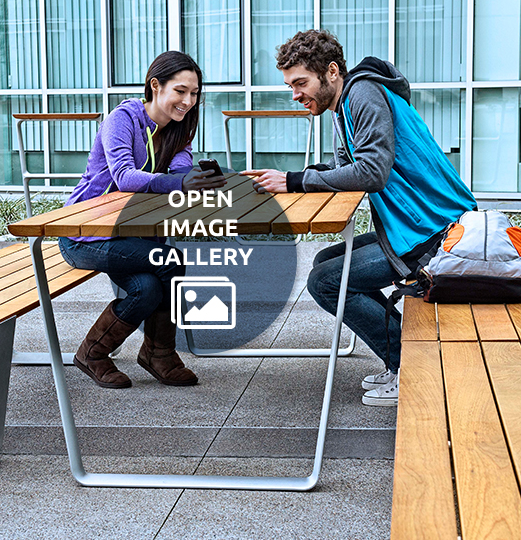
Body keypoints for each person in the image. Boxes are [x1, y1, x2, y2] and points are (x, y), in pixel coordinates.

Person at [241, 29, 476, 407]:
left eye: (300, 83)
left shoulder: (363, 94)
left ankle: (410, 366)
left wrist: (296, 180)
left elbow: (372, 173)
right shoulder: (343, 106)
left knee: (325, 282)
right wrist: (288, 179)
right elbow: (346, 169)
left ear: (332, 72)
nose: (295, 94)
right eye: (290, 85)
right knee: (326, 262)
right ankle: (403, 355)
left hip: (438, 232)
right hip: (414, 226)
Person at [59, 51, 226, 389]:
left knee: (147, 288)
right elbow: (123, 176)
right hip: (86, 234)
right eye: (180, 91)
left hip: (131, 235)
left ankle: (94, 353)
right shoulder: (122, 120)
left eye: (194, 94)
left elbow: (179, 170)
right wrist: (178, 183)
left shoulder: (177, 131)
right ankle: (159, 354)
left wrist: (197, 179)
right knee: (171, 260)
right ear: (155, 85)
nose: (188, 101)